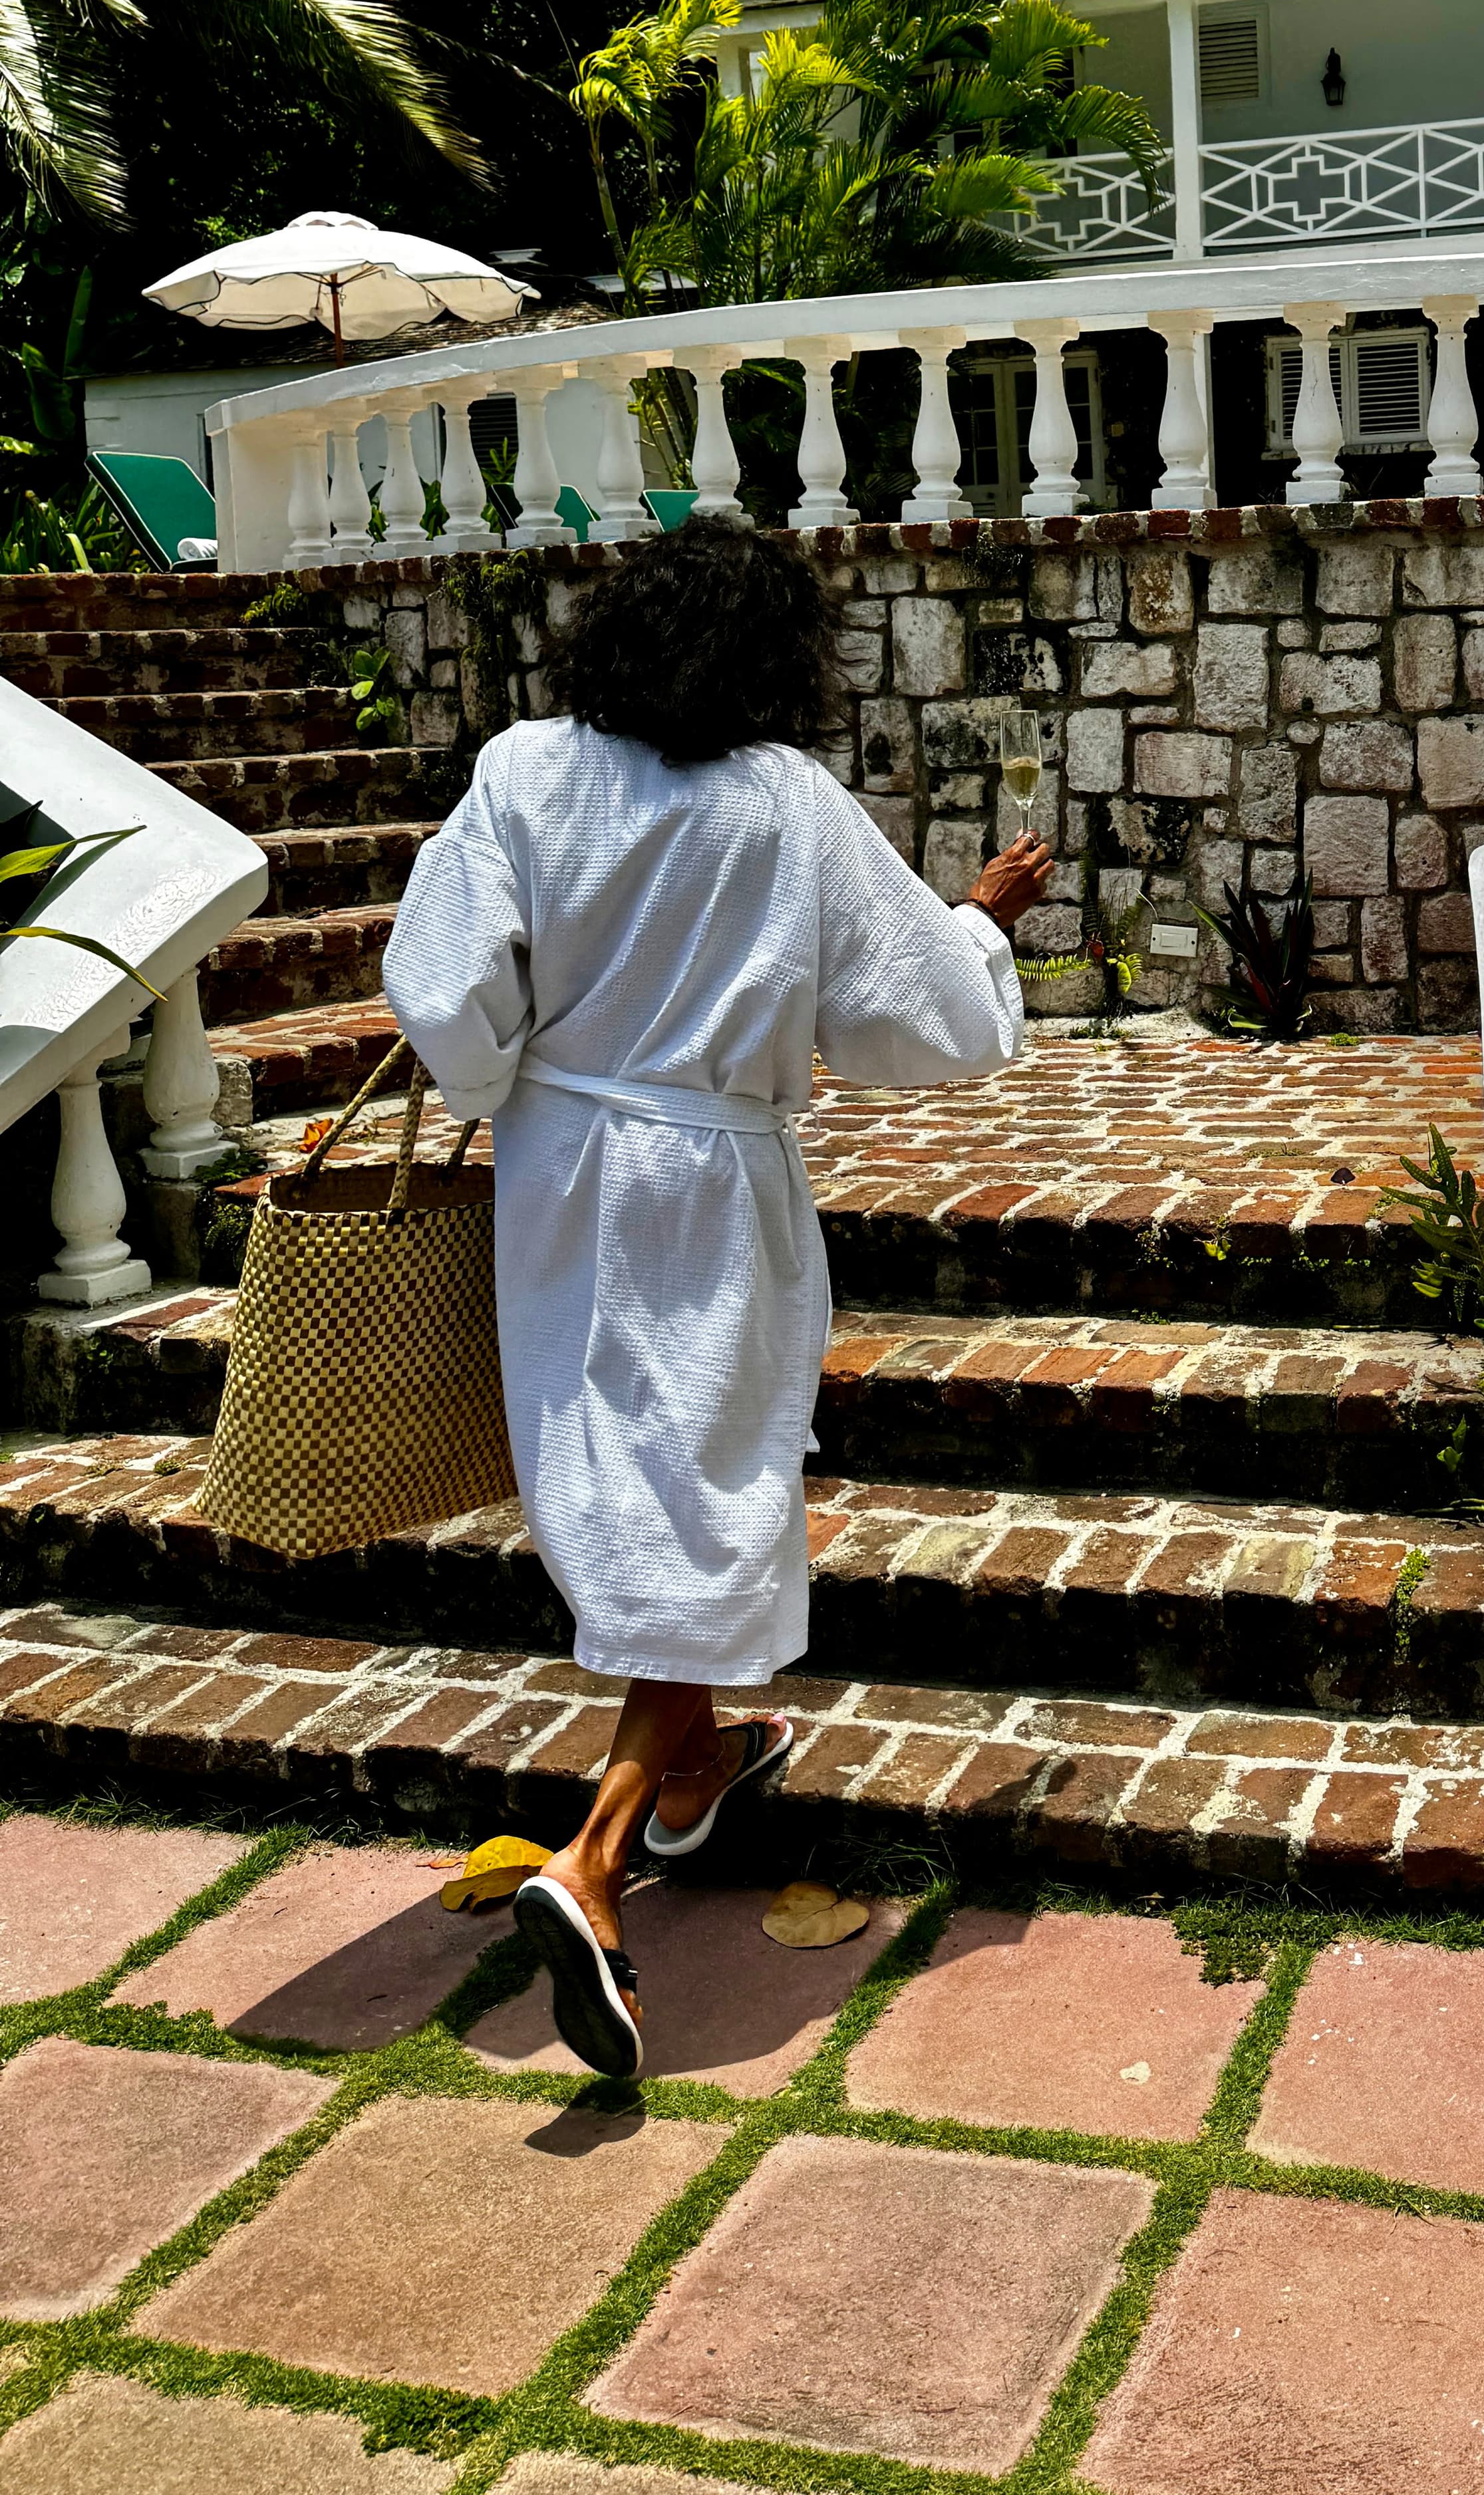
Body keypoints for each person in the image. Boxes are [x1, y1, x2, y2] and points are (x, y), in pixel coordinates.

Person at [382, 513, 1050, 2075]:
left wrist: (507, 1075)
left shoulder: (526, 772)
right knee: (718, 1483)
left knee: (626, 1475)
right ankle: (596, 1864)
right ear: (776, 660)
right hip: (716, 1183)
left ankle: (700, 1776)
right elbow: (916, 1017)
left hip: (559, 1171)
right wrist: (980, 922)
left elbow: (451, 988)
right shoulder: (785, 805)